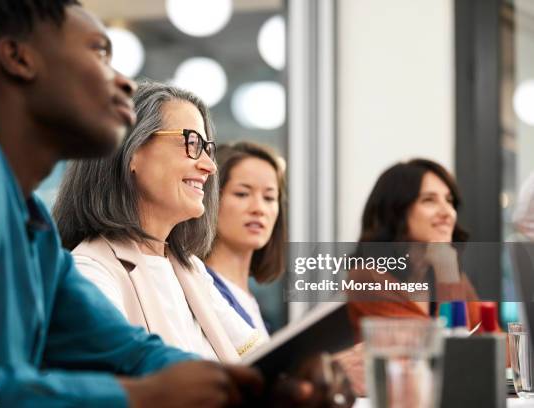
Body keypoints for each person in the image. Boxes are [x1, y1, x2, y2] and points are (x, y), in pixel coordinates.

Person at [0, 1, 264, 406]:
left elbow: (131, 351)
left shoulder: (33, 228)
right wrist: (133, 396)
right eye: (99, 52)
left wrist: (264, 384)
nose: (122, 82)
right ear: (18, 57)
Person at [53, 81, 356, 407]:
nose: (209, 166)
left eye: (207, 149)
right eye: (191, 143)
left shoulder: (189, 268)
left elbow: (253, 351)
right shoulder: (92, 270)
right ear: (132, 151)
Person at [347, 159, 500, 340]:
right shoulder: (366, 278)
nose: (447, 212)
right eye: (429, 200)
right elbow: (442, 353)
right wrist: (447, 272)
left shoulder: (447, 272)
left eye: (449, 201)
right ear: (396, 211)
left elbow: (498, 348)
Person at [204, 142, 287, 339]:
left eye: (269, 197)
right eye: (242, 193)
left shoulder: (249, 301)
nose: (259, 208)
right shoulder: (201, 287)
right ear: (211, 199)